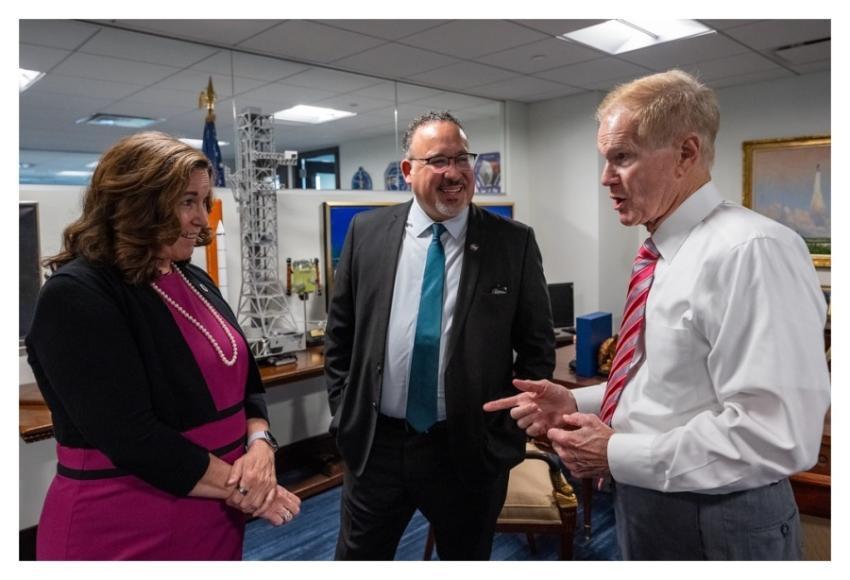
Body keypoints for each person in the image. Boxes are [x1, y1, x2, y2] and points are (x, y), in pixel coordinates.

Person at [485, 70, 830, 560]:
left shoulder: (751, 251)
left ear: (686, 153)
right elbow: (664, 384)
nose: (605, 178)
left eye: (622, 157)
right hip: (649, 501)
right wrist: (576, 402)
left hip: (718, 518)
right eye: (605, 160)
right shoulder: (660, 254)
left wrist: (614, 452)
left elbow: (776, 434)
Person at [25, 131, 301, 560]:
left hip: (213, 510)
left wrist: (262, 443)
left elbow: (246, 382)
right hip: (126, 519)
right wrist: (249, 490)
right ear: (137, 203)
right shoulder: (77, 293)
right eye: (187, 202)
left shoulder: (193, 278)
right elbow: (131, 436)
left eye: (204, 202)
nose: (203, 221)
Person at [324, 111, 555, 560]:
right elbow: (341, 335)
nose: (454, 173)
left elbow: (537, 348)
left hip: (467, 449)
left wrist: (504, 432)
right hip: (377, 446)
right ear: (408, 171)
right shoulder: (367, 233)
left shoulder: (512, 243)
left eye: (462, 159)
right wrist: (344, 411)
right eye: (438, 161)